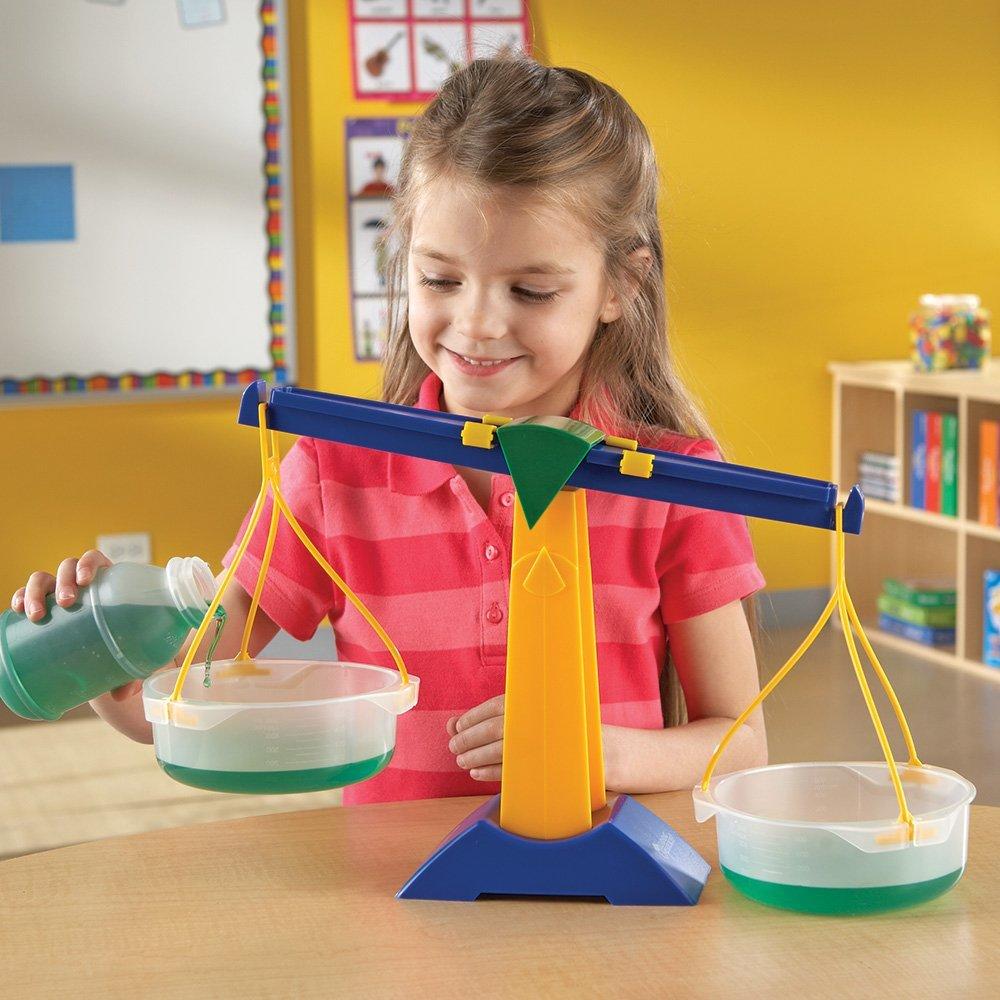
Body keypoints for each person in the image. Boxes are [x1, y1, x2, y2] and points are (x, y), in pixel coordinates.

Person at [12, 57, 767, 805]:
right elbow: (178, 694)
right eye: (440, 279)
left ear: (622, 284)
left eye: (531, 289)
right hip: (393, 876)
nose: (477, 322)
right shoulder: (333, 470)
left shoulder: (674, 485)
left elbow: (739, 745)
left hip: (598, 869)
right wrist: (103, 649)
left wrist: (597, 751)